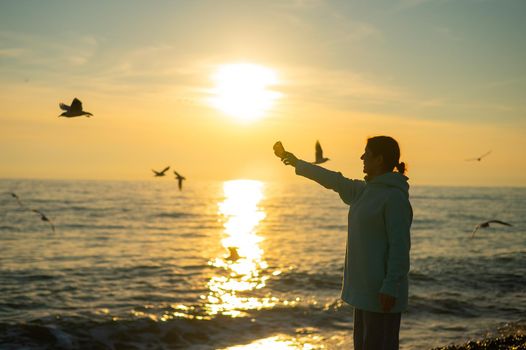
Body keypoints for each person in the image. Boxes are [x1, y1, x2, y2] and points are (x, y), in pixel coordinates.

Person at [275, 136, 412, 350]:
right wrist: (295, 162)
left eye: (366, 153)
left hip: (383, 293)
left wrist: (391, 286)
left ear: (379, 159)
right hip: (365, 292)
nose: (361, 157)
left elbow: (400, 247)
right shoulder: (363, 191)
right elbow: (332, 179)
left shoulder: (394, 197)